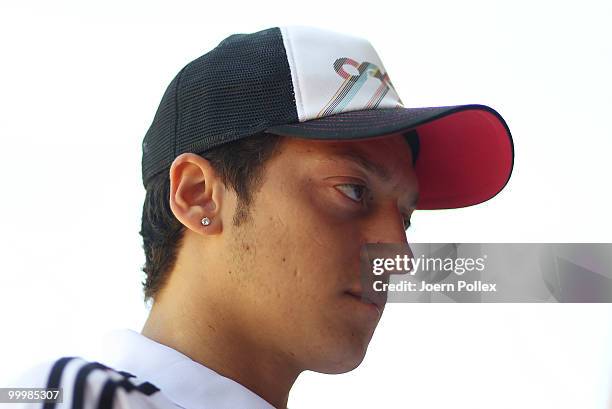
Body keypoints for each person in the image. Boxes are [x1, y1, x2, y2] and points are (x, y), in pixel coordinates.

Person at [6, 25, 514, 409]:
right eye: (353, 191)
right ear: (199, 195)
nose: (398, 256)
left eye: (406, 218)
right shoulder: (66, 396)